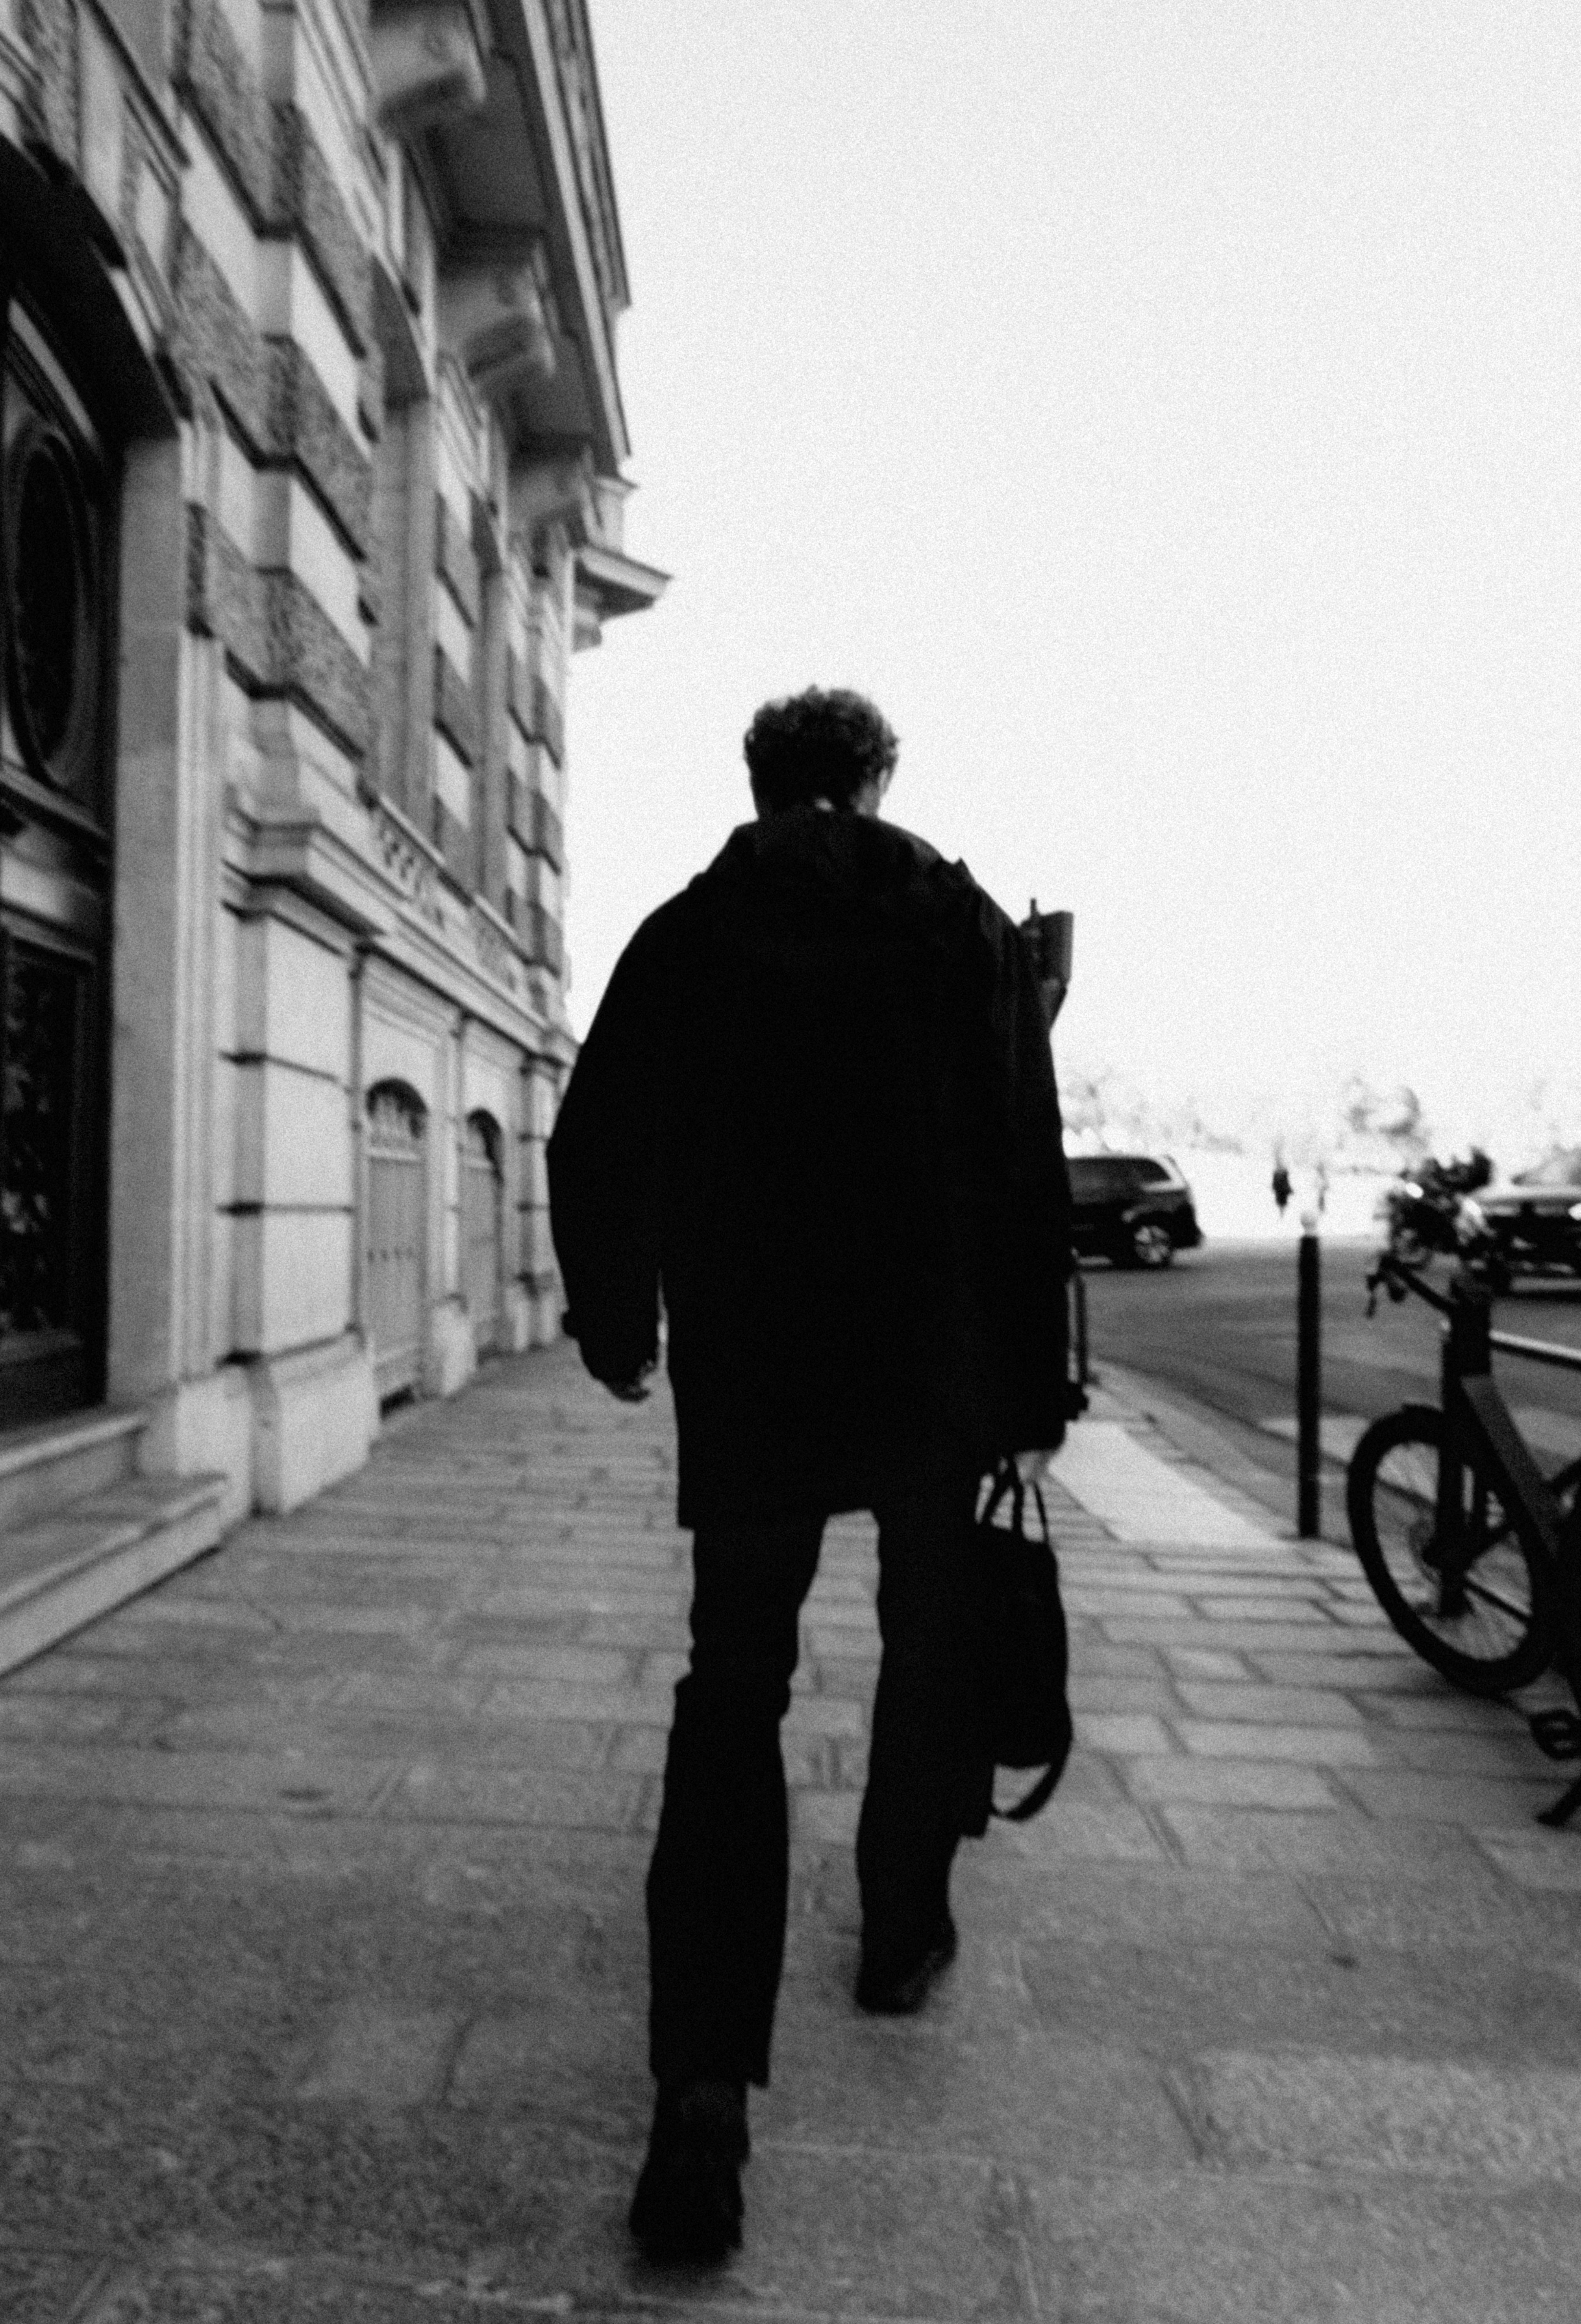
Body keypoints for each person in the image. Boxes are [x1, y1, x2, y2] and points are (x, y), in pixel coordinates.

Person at [547, 687, 1073, 2262]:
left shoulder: (688, 930)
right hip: (926, 1363)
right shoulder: (960, 925)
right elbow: (1021, 1157)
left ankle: (702, 2091)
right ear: (878, 777)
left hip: (756, 1359)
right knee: (927, 1639)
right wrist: (1028, 1380)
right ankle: (898, 1928)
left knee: (732, 1686)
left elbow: (597, 1135)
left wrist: (613, 1315)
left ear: (761, 781)